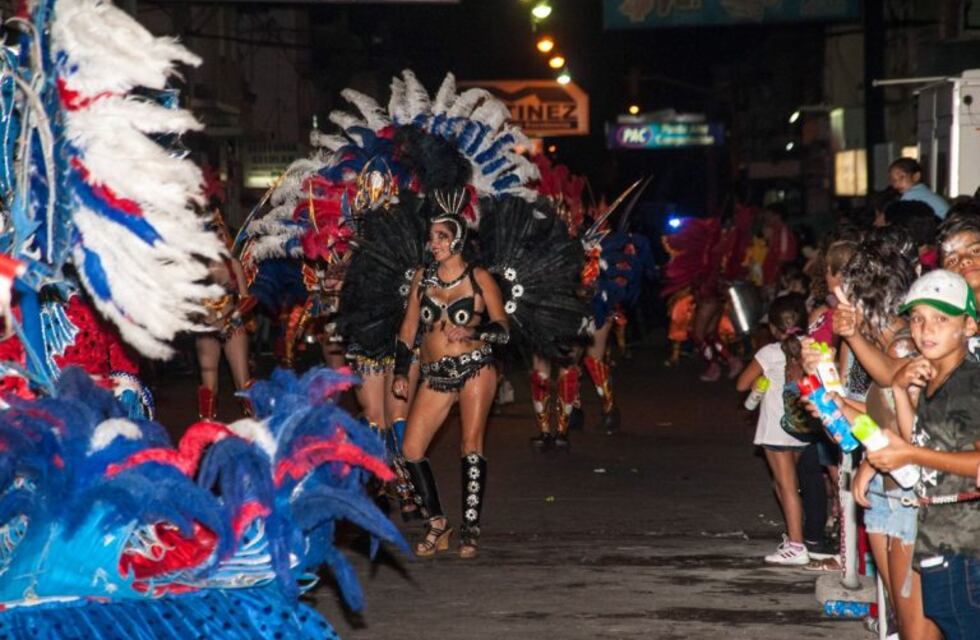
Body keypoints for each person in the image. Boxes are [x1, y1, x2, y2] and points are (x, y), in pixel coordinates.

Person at [867, 269, 980, 638]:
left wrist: (910, 454)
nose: (925, 329)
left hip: (966, 546)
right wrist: (900, 391)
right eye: (917, 318)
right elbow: (917, 438)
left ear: (969, 327)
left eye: (941, 319)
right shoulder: (938, 378)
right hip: (939, 540)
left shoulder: (970, 383)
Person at [393, 207, 508, 559]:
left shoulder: (479, 278)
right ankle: (438, 522)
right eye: (431, 238)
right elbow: (409, 327)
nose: (434, 244)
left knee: (470, 444)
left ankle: (470, 528)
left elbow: (502, 327)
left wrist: (473, 328)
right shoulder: (422, 277)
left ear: (457, 239)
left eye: (441, 237)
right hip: (435, 374)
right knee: (410, 450)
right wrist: (400, 372)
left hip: (474, 366)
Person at [736, 293, 812, 565]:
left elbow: (742, 384)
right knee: (784, 484)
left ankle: (796, 544)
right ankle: (797, 532)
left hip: (776, 430)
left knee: (787, 486)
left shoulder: (768, 353)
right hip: (803, 427)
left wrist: (762, 381)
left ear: (773, 327)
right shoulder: (813, 346)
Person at [196, 209, 254, 419]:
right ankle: (207, 426)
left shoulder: (234, 265)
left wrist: (233, 319)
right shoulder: (197, 269)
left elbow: (247, 299)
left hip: (233, 327)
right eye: (214, 234)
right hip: (207, 329)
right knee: (208, 382)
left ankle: (254, 424)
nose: (220, 238)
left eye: (222, 233)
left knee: (243, 380)